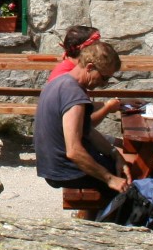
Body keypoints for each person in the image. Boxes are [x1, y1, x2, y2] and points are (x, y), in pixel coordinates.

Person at [35, 41, 128, 195]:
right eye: (104, 78)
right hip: (66, 171)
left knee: (121, 165)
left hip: (53, 167)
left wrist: (114, 152)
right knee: (132, 176)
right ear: (90, 67)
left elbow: (88, 131)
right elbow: (74, 151)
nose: (104, 84)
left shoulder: (60, 82)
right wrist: (110, 179)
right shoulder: (74, 95)